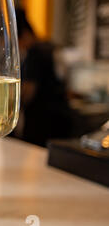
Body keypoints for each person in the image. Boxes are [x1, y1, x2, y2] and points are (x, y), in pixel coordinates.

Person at [16, 9, 73, 147]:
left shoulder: (35, 53)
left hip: (43, 124)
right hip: (60, 121)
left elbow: (28, 93)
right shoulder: (50, 46)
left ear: (22, 34)